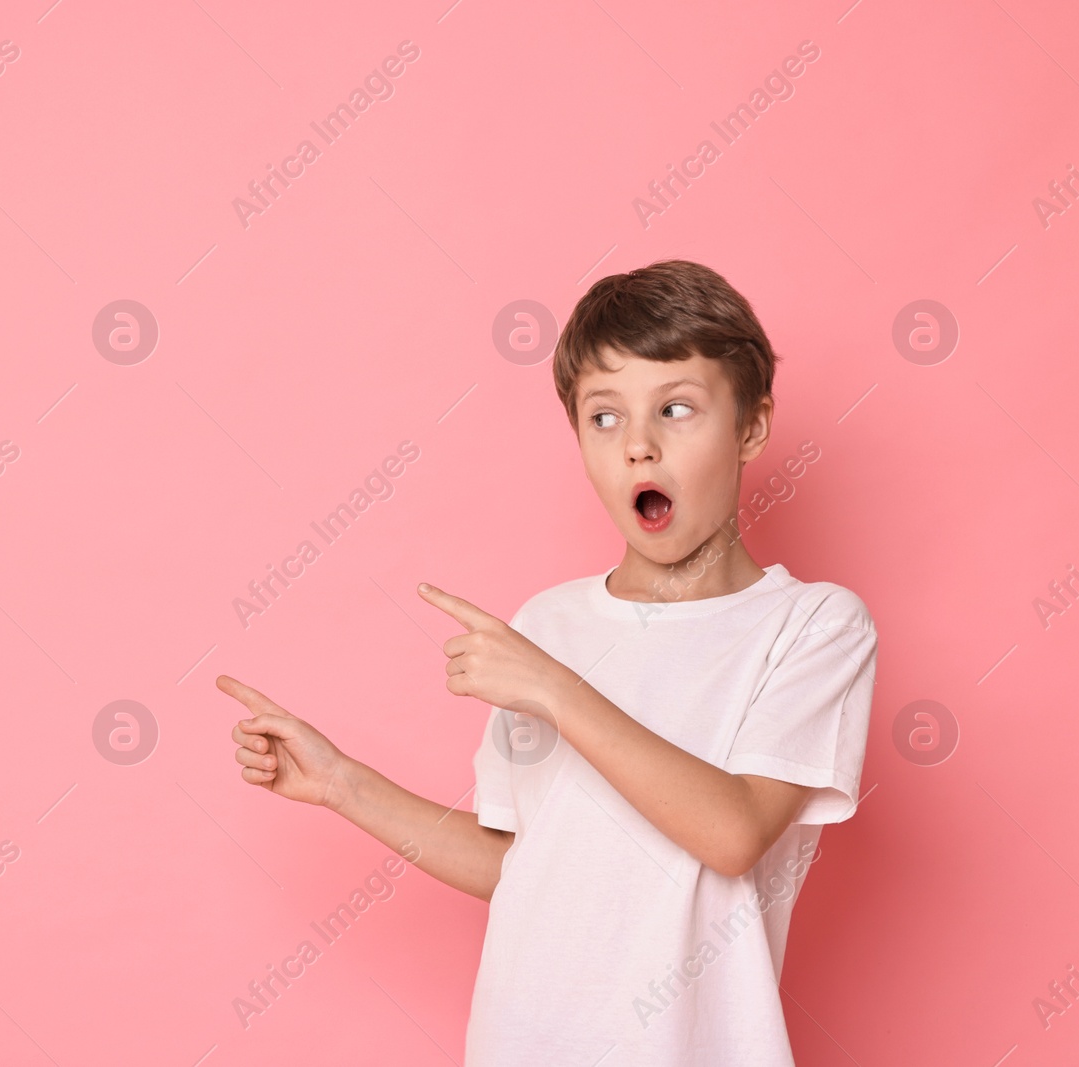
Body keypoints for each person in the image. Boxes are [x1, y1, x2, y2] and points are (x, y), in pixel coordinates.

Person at [217, 259, 878, 1066]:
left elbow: (734, 831)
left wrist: (553, 687)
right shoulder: (548, 625)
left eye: (676, 409)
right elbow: (522, 864)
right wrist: (342, 784)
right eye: (605, 418)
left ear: (750, 427)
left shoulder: (811, 626)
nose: (639, 445)